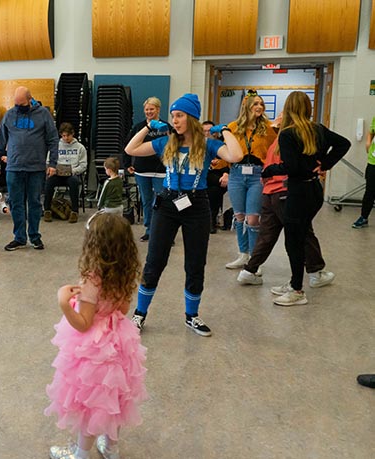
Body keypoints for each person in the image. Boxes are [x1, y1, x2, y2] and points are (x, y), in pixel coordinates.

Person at [125, 94, 243, 336]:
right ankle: (139, 314)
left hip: (197, 206)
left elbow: (236, 156)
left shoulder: (208, 144)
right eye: (173, 116)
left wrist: (226, 131)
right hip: (168, 204)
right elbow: (131, 148)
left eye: (179, 116)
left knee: (195, 263)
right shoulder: (166, 142)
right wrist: (148, 126)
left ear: (191, 118)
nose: (174, 121)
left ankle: (192, 316)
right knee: (154, 261)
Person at [45, 213, 147, 459]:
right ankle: (111, 447)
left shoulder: (92, 279)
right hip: (119, 341)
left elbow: (83, 323)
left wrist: (64, 303)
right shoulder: (124, 272)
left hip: (93, 347)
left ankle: (80, 454)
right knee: (114, 398)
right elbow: (123, 309)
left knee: (91, 405)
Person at [261, 91, 350, 306]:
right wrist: (324, 164)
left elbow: (291, 168)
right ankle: (295, 281)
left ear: (288, 108)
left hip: (299, 192)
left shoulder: (288, 134)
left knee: (294, 241)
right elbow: (343, 144)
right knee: (299, 237)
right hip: (314, 191)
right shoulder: (317, 129)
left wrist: (270, 169)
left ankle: (297, 290)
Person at [236, 138, 336, 289]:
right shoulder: (293, 139)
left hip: (269, 192)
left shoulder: (275, 140)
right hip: (285, 191)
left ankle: (249, 270)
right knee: (303, 232)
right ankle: (316, 272)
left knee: (266, 235)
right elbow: (294, 166)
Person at [0, 86, 58, 251]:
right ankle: (19, 238)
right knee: (15, 203)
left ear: (30, 99)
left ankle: (34, 236)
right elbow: (0, 142)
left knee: (34, 203)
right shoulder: (10, 114)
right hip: (14, 167)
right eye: (16, 103)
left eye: (21, 104)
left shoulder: (43, 114)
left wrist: (53, 163)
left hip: (35, 168)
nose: (18, 107)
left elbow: (53, 139)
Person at [224, 91, 278, 269]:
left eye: (261, 104)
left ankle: (256, 260)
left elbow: (273, 152)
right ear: (247, 107)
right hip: (237, 174)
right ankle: (243, 253)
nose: (260, 107)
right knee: (239, 215)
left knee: (253, 218)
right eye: (256, 104)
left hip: (257, 175)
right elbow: (227, 150)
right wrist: (223, 170)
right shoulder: (232, 127)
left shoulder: (268, 129)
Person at [123, 97, 171, 241]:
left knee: (160, 201)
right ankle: (149, 229)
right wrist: (127, 164)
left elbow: (175, 145)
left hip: (161, 171)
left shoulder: (167, 127)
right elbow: (127, 146)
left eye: (152, 109)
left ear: (158, 110)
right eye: (147, 110)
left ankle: (163, 230)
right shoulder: (139, 127)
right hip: (142, 170)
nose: (149, 112)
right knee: (146, 201)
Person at [43, 122, 87, 224]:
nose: (66, 138)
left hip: (71, 174)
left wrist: (73, 171)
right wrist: (51, 169)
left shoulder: (80, 148)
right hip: (57, 174)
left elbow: (83, 165)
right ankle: (47, 210)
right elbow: (48, 161)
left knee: (74, 182)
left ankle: (74, 211)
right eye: (63, 136)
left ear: (73, 134)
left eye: (68, 135)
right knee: (49, 182)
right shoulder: (55, 146)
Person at [202, 121, 230, 233]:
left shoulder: (221, 145)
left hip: (221, 177)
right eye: (204, 131)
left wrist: (226, 174)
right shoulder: (199, 145)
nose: (207, 133)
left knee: (216, 189)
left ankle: (211, 220)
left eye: (210, 131)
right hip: (205, 177)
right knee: (212, 188)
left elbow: (228, 163)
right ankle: (209, 221)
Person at [352, 115, 375, 228]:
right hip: (373, 161)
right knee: (369, 191)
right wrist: (368, 142)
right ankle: (364, 217)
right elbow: (371, 132)